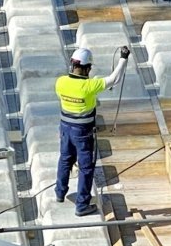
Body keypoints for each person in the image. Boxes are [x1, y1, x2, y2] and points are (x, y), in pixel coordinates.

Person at [55, 46, 130, 216]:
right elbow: (114, 79)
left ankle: (60, 192)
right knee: (86, 167)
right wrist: (123, 58)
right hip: (83, 131)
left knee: (65, 159)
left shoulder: (60, 82)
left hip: (65, 128)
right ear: (88, 68)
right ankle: (82, 205)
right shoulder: (90, 86)